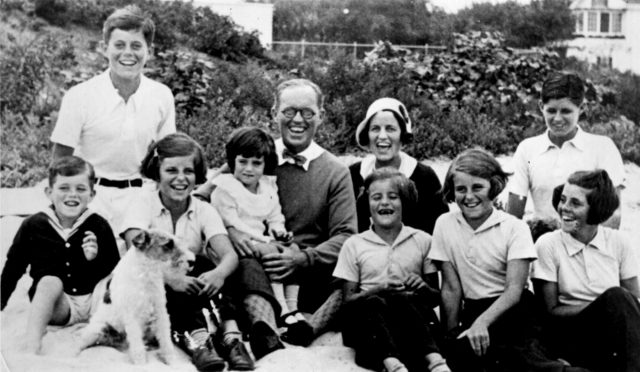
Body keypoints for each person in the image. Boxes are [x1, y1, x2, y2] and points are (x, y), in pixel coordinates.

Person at [195, 78, 357, 354]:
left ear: (321, 115)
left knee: (356, 273)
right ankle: (265, 330)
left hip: (306, 271)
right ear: (274, 113)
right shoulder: (254, 154)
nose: (297, 120)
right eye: (289, 111)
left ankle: (309, 328)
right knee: (246, 264)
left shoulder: (335, 171)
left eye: (307, 112)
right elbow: (200, 199)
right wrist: (232, 233)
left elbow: (346, 235)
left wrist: (303, 259)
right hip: (256, 265)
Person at [120, 133, 254, 372]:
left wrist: (219, 274)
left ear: (198, 175)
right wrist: (173, 279)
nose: (180, 179)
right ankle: (198, 341)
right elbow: (135, 244)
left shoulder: (203, 209)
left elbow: (229, 255)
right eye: (171, 170)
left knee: (207, 265)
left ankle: (232, 337)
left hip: (191, 288)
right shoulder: (143, 202)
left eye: (188, 172)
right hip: (148, 289)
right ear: (157, 172)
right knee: (171, 271)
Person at [50, 5, 176, 235]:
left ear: (150, 50)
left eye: (136, 45)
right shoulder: (80, 95)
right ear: (105, 48)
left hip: (140, 195)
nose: (127, 53)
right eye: (119, 45)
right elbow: (60, 160)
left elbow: (168, 156)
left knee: (142, 262)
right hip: (90, 195)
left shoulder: (161, 95)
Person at [428, 148, 538, 372]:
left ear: (494, 186)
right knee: (459, 354)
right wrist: (452, 333)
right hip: (474, 309)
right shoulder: (444, 224)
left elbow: (514, 290)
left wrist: (482, 323)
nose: (469, 196)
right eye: (460, 189)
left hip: (511, 310)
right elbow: (451, 288)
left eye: (477, 187)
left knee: (512, 357)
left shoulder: (515, 228)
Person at [335, 168, 450, 372]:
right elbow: (347, 303)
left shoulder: (423, 240)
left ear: (404, 201)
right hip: (369, 328)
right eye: (376, 197)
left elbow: (434, 298)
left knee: (401, 298)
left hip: (410, 325)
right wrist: (378, 289)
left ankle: (435, 362)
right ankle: (393, 365)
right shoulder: (354, 244)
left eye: (393, 197)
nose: (384, 203)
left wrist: (422, 287)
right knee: (374, 302)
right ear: (367, 203)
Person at [0, 156, 119, 354]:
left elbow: (116, 269)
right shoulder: (33, 225)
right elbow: (14, 266)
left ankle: (111, 332)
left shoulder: (99, 225)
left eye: (80, 189)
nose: (72, 195)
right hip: (61, 306)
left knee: (112, 282)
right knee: (49, 282)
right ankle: (32, 346)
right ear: (49, 193)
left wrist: (95, 258)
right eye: (64, 188)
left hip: (96, 303)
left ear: (92, 194)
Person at [532, 169, 640, 372]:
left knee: (620, 301)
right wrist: (601, 307)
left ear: (597, 209)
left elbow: (632, 302)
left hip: (610, 335)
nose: (564, 208)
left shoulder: (618, 242)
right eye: (563, 200)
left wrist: (607, 309)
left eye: (575, 203)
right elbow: (549, 311)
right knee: (616, 297)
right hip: (569, 335)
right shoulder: (548, 244)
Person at [210, 127, 312, 338]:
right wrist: (266, 241)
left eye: (256, 163)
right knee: (270, 252)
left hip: (261, 239)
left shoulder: (266, 187)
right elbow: (232, 222)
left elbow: (275, 216)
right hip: (237, 242)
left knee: (292, 250)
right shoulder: (225, 189)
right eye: (242, 161)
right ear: (232, 161)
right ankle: (282, 309)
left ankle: (293, 307)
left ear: (265, 164)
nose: (249, 169)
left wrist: (280, 234)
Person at [507, 71, 624, 228]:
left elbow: (613, 214)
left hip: (587, 244)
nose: (557, 119)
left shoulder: (602, 147)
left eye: (566, 111)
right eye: (551, 110)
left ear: (581, 108)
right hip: (541, 243)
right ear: (541, 107)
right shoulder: (527, 149)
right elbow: (514, 214)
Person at [350, 97, 448, 234]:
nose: (382, 136)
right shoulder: (353, 175)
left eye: (390, 129)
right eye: (375, 129)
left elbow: (439, 230)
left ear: (402, 135)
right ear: (367, 135)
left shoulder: (425, 177)